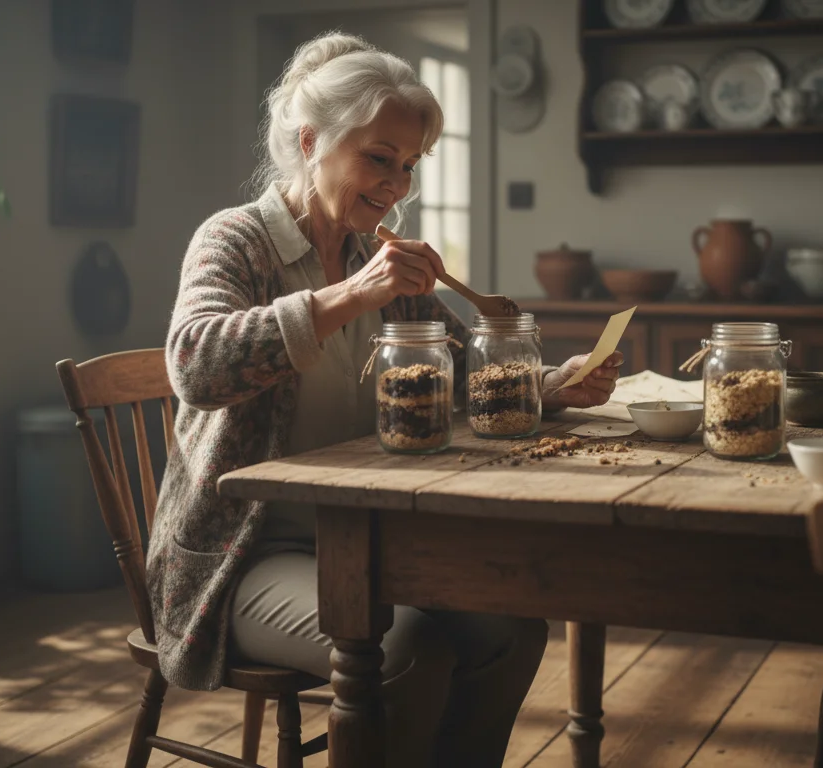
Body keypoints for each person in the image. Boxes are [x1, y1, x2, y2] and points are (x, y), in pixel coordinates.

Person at [147, 31, 622, 767]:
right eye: (379, 158)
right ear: (311, 141)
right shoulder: (237, 242)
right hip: (245, 555)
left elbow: (472, 376)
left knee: (512, 629)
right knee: (407, 648)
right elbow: (195, 364)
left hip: (371, 543)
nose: (398, 186)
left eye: (409, 166)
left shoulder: (377, 259)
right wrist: (348, 294)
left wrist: (557, 385)